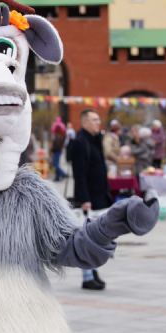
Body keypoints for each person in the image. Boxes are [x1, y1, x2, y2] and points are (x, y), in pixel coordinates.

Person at [71, 109, 112, 290]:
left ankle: (93, 271)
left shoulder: (95, 140)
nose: (98, 123)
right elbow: (79, 174)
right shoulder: (80, 142)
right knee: (88, 239)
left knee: (96, 238)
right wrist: (84, 199)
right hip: (88, 199)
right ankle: (87, 276)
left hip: (99, 197)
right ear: (85, 122)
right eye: (94, 120)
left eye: (98, 120)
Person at [50, 117, 67, 182]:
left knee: (55, 164)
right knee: (56, 164)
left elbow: (56, 145)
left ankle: (63, 174)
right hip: (58, 151)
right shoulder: (61, 135)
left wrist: (52, 148)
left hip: (56, 151)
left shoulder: (58, 136)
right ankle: (57, 177)